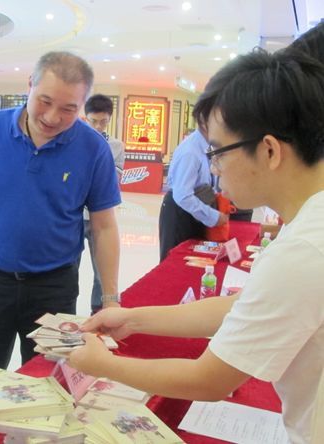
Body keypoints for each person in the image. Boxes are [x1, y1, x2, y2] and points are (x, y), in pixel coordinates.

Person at [69, 48, 324, 444]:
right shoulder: (308, 224)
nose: (214, 168)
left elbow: (210, 379)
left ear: (269, 150)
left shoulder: (303, 250)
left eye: (217, 152)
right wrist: (133, 319)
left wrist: (104, 365)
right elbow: (244, 305)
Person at [0, 51, 122, 410]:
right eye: (44, 101)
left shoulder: (93, 149)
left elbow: (104, 227)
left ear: (83, 105)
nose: (53, 117)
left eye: (69, 109)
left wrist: (110, 299)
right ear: (30, 85)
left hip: (54, 288)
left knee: (50, 390)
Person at [158, 117, 229, 261]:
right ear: (205, 122)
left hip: (197, 209)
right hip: (180, 213)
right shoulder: (190, 151)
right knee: (175, 262)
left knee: (194, 260)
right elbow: (183, 196)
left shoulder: (207, 146)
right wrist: (213, 217)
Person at [83, 94, 125, 313]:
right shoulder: (75, 143)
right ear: (85, 117)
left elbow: (113, 182)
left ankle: (98, 312)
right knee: (67, 270)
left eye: (103, 122)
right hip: (74, 216)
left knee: (102, 272)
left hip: (100, 217)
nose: (98, 126)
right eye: (94, 121)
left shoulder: (116, 146)